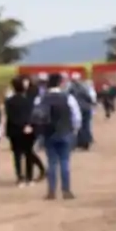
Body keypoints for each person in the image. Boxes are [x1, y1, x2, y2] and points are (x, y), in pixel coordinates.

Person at [34, 72, 82, 200]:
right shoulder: (68, 97)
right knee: (65, 161)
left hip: (49, 133)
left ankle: (51, 191)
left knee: (52, 163)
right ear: (60, 83)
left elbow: (36, 115)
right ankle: (66, 190)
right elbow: (76, 116)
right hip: (65, 131)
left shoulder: (41, 98)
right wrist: (75, 129)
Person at [3, 76, 46, 186]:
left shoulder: (9, 101)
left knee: (17, 155)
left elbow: (10, 116)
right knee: (28, 153)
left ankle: (20, 177)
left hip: (14, 130)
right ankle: (29, 177)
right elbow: (32, 115)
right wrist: (28, 125)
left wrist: (20, 125)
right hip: (28, 129)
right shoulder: (28, 101)